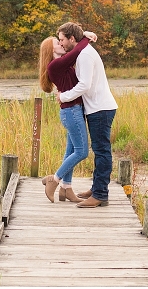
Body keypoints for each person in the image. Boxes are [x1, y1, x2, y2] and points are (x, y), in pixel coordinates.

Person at [56, 22, 118, 208]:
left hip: (100, 108)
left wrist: (63, 96)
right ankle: (97, 188)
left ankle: (100, 195)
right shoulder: (83, 51)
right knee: (100, 150)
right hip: (97, 108)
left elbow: (85, 85)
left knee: (101, 151)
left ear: (72, 39)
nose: (61, 44)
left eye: (62, 40)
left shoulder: (84, 55)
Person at [38, 30, 97, 203]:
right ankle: (54, 180)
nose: (61, 43)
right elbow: (78, 50)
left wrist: (84, 34)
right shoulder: (54, 65)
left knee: (71, 151)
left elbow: (75, 48)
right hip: (71, 112)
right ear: (51, 50)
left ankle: (66, 188)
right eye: (58, 42)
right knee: (82, 152)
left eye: (61, 40)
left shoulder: (61, 63)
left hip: (74, 110)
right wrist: (87, 37)